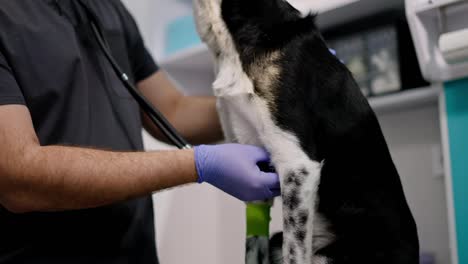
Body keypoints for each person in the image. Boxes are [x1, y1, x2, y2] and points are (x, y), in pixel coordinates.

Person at [0, 1, 280, 263]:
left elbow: (172, 110)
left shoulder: (106, 8)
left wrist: (270, 103)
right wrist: (199, 164)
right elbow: (19, 176)